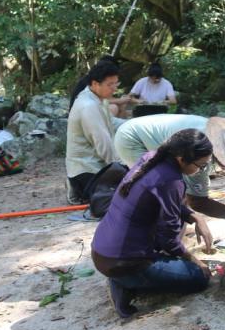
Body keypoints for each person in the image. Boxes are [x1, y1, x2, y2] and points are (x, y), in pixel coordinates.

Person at [92, 129, 215, 318]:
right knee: (199, 278)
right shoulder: (171, 181)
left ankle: (128, 279)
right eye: (201, 165)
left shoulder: (151, 158)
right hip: (123, 263)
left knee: (178, 231)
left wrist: (195, 217)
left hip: (102, 251)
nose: (202, 170)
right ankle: (126, 282)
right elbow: (169, 240)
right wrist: (195, 261)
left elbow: (166, 204)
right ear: (182, 159)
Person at [113, 114, 225, 222]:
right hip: (133, 137)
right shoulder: (199, 151)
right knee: (162, 188)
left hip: (149, 128)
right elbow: (198, 201)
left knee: (179, 191)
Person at [66, 60, 127, 203]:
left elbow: (112, 123)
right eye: (109, 85)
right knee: (131, 193)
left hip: (95, 166)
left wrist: (138, 124)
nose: (114, 89)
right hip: (87, 170)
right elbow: (102, 143)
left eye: (115, 84)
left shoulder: (97, 98)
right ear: (95, 83)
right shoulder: (88, 106)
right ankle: (77, 189)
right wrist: (122, 168)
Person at [68, 56, 133, 118]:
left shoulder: (94, 78)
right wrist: (120, 101)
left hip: (81, 112)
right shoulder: (94, 83)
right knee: (114, 107)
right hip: (80, 114)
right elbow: (100, 101)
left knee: (119, 106)